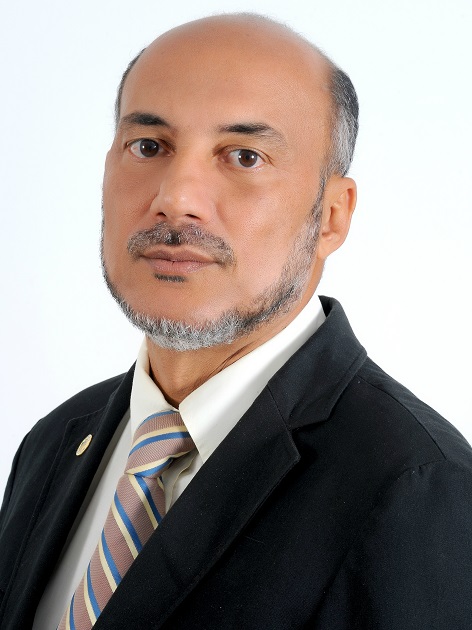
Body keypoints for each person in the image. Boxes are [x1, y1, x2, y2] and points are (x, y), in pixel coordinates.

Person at [0, 12, 471, 630]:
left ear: (332, 216)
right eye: (149, 146)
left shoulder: (418, 490)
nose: (176, 197)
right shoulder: (55, 442)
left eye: (244, 156)